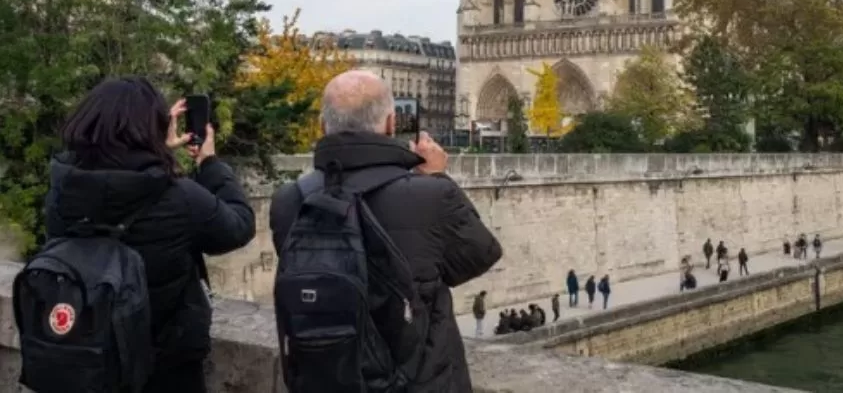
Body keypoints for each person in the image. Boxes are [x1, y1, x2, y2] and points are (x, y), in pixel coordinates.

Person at [269, 70, 502, 393]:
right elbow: (481, 254)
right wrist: (437, 178)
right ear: (392, 123)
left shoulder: (290, 200)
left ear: (322, 126)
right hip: (418, 381)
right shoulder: (430, 196)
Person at [42, 77, 255, 393]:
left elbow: (114, 182)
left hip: (87, 356)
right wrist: (209, 162)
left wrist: (155, 149)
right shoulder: (178, 197)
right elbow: (238, 226)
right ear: (155, 127)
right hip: (162, 364)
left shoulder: (63, 189)